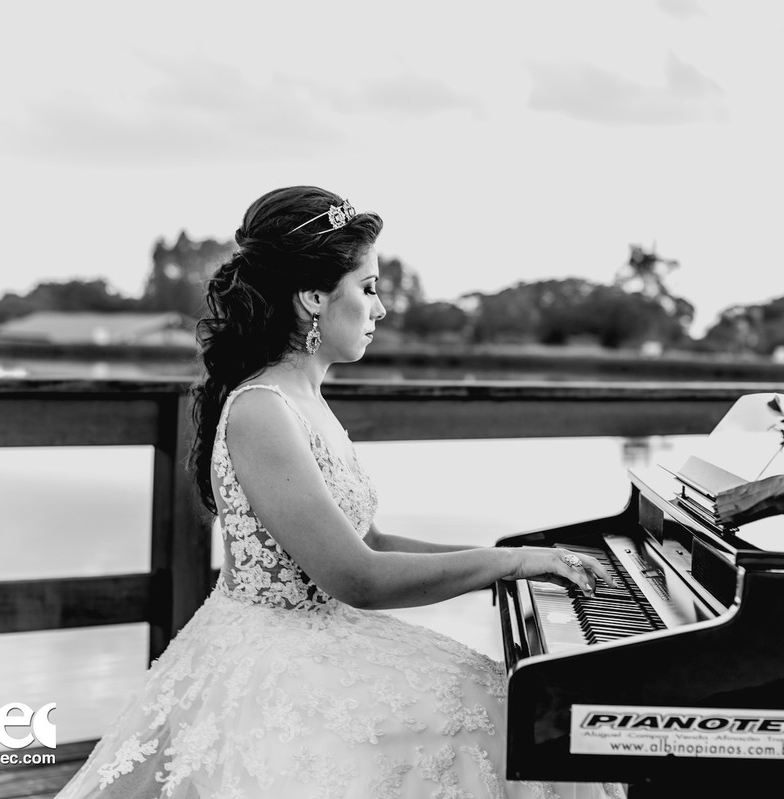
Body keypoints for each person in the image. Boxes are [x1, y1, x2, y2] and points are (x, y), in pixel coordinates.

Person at [55, 186, 623, 799]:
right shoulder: (262, 411)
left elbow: (370, 540)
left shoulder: (308, 399)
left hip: (328, 636)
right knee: (507, 724)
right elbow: (356, 577)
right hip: (278, 661)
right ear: (314, 297)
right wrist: (504, 564)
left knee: (521, 712)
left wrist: (513, 559)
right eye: (369, 288)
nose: (380, 309)